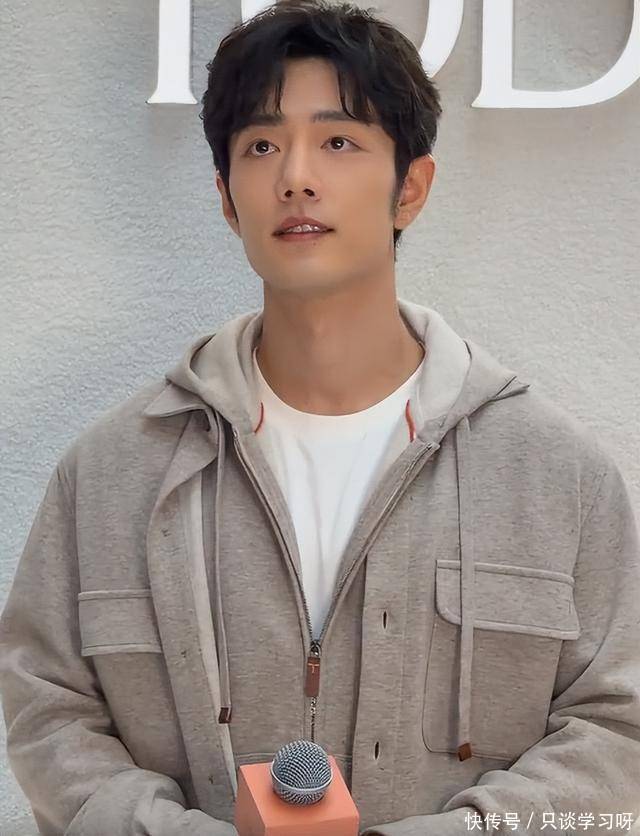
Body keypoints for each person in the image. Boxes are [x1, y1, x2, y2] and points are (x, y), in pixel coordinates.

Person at [1, 1, 639, 833]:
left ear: (411, 188)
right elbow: (47, 708)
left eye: (338, 142)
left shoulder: (555, 474)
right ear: (227, 199)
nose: (296, 176)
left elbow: (616, 727)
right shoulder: (114, 471)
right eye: (262, 146)